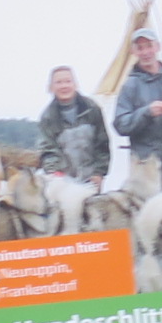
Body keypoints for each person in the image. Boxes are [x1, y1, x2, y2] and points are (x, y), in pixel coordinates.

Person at [110, 28, 162, 163]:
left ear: (158, 47)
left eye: (149, 46)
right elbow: (120, 125)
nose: (145, 52)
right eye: (140, 48)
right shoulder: (129, 85)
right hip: (146, 163)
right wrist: (147, 112)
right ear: (133, 51)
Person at [35, 65, 110, 214]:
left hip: (91, 179)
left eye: (68, 81)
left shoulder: (92, 109)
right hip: (64, 181)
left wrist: (99, 173)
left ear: (75, 84)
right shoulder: (48, 117)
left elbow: (103, 144)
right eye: (59, 82)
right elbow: (48, 150)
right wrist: (54, 173)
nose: (64, 86)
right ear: (51, 87)